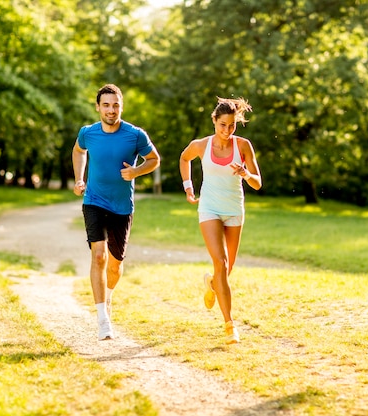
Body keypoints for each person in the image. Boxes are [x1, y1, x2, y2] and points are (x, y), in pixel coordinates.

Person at [72, 84, 160, 341]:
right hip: (94, 201)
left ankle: (108, 296)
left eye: (116, 105)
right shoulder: (88, 133)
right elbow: (78, 151)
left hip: (122, 206)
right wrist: (79, 178)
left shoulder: (135, 135)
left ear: (121, 106)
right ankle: (102, 319)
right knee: (98, 256)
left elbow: (154, 159)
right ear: (98, 107)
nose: (111, 110)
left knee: (115, 264)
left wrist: (136, 172)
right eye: (106, 105)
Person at [179, 97, 262, 344]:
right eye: (222, 125)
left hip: (234, 209)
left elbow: (257, 183)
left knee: (227, 268)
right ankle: (229, 325)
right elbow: (185, 159)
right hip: (210, 208)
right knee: (221, 261)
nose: (226, 131)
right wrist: (188, 186)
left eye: (231, 126)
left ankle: (212, 282)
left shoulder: (243, 146)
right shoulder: (201, 145)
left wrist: (246, 173)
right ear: (214, 120)